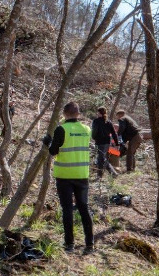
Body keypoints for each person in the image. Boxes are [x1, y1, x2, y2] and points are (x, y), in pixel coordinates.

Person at [43, 101, 93, 254]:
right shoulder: (86, 129)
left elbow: (53, 151)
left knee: (67, 209)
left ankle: (69, 244)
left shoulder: (61, 129)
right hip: (82, 175)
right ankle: (89, 244)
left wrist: (47, 142)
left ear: (64, 114)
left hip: (64, 176)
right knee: (84, 208)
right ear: (78, 114)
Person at [91, 107, 118, 177]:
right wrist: (117, 143)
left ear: (99, 113)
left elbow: (94, 132)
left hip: (99, 142)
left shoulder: (96, 121)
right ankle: (104, 174)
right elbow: (114, 133)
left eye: (98, 112)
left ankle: (109, 174)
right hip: (107, 143)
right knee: (101, 158)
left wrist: (93, 137)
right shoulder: (108, 122)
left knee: (101, 158)